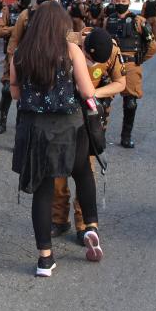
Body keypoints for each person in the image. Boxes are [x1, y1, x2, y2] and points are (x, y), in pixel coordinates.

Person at [10, 1, 101, 277]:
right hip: (70, 127)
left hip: (36, 130)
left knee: (43, 190)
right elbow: (86, 92)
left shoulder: (20, 54)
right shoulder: (70, 50)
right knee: (83, 173)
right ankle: (90, 227)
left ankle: (45, 259)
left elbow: (15, 93)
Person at [52, 27, 125, 243]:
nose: (89, 62)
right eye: (86, 57)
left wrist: (94, 94)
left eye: (93, 61)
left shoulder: (112, 50)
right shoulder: (66, 43)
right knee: (57, 169)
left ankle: (84, 225)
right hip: (63, 116)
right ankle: (58, 219)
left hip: (91, 118)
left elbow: (120, 83)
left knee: (85, 170)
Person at [103, 0, 156, 148]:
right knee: (103, 100)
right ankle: (100, 135)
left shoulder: (139, 21)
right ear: (113, 1)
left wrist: (138, 59)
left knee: (130, 102)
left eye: (123, 2)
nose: (120, 4)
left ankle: (126, 136)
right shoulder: (108, 20)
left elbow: (152, 46)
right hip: (111, 64)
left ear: (129, 3)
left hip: (130, 64)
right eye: (117, 1)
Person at [0, 0, 31, 134]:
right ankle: (2, 122)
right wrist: (17, 28)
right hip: (10, 55)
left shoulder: (31, 13)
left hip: (27, 57)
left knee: (24, 94)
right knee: (6, 91)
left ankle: (20, 125)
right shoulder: (7, 10)